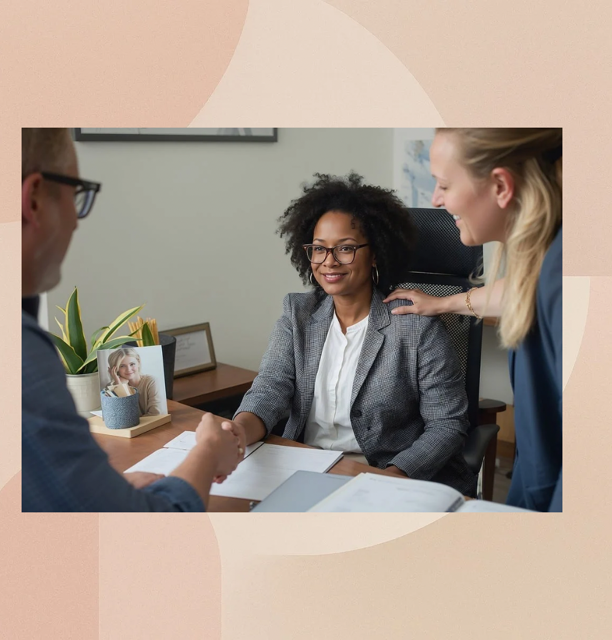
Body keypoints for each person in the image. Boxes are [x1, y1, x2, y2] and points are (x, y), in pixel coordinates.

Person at [22, 128, 242, 511]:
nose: (76, 220)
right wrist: (207, 451)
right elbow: (146, 531)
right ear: (35, 200)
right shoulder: (16, 356)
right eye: (76, 195)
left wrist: (109, 490)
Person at [226, 172, 477, 496]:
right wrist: (236, 433)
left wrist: (393, 475)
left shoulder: (415, 325)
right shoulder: (297, 313)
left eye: (345, 248)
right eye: (319, 249)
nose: (329, 262)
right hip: (306, 472)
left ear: (375, 253)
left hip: (387, 478)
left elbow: (446, 425)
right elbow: (270, 388)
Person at [384, 128, 562, 512]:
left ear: (500, 185)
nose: (435, 199)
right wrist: (443, 304)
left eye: (444, 185)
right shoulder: (548, 261)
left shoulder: (563, 272)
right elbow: (518, 290)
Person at [106, 348, 162, 415]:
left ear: (138, 362)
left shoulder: (151, 381)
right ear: (115, 369)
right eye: (122, 366)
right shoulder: (111, 387)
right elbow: (122, 416)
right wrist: (120, 386)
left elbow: (156, 414)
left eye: (132, 364)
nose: (128, 369)